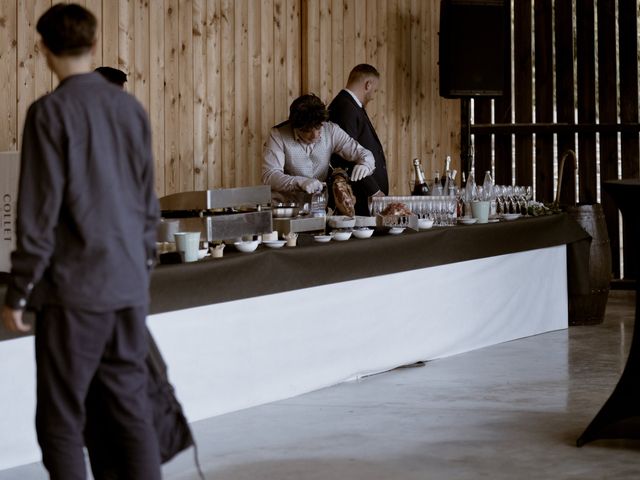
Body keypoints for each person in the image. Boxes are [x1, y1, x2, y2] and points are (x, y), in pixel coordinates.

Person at [1, 4, 162, 479]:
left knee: (61, 419)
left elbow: (38, 213)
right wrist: (141, 267)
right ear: (93, 46)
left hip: (74, 293)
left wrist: (18, 291)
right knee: (132, 411)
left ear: (44, 49)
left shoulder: (49, 112)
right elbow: (147, 202)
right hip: (128, 286)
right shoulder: (131, 109)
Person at [262, 93, 376, 204]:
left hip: (319, 210)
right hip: (285, 211)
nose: (315, 135)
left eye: (319, 128)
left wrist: (366, 163)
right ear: (295, 126)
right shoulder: (278, 135)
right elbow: (270, 175)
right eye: (308, 130)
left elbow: (363, 153)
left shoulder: (331, 130)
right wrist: (299, 182)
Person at [329, 64, 389, 215]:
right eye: (374, 90)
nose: (373, 95)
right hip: (360, 197)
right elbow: (347, 156)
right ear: (368, 85)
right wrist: (373, 191)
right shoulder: (345, 107)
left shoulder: (351, 105)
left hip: (365, 196)